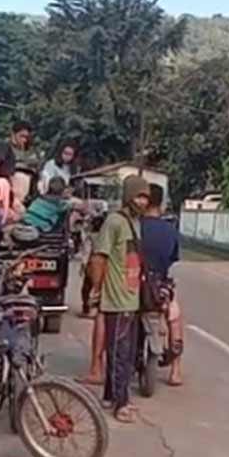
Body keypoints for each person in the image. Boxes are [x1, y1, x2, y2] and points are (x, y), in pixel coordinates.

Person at [85, 175, 151, 423]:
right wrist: (97, 288)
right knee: (119, 353)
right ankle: (120, 404)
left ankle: (111, 396)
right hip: (116, 299)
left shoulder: (136, 223)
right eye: (138, 196)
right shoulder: (114, 222)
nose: (142, 202)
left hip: (132, 298)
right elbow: (99, 258)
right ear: (128, 196)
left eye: (145, 197)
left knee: (127, 352)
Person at [141, 184, 184, 386]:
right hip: (160, 287)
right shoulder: (170, 230)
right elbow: (173, 258)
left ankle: (98, 365)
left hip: (135, 284)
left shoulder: (134, 226)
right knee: (174, 317)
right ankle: (175, 371)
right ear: (161, 203)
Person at [0, 120, 34, 204]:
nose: (24, 140)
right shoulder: (5, 146)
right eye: (21, 136)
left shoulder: (22, 150)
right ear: (13, 134)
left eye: (26, 137)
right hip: (8, 182)